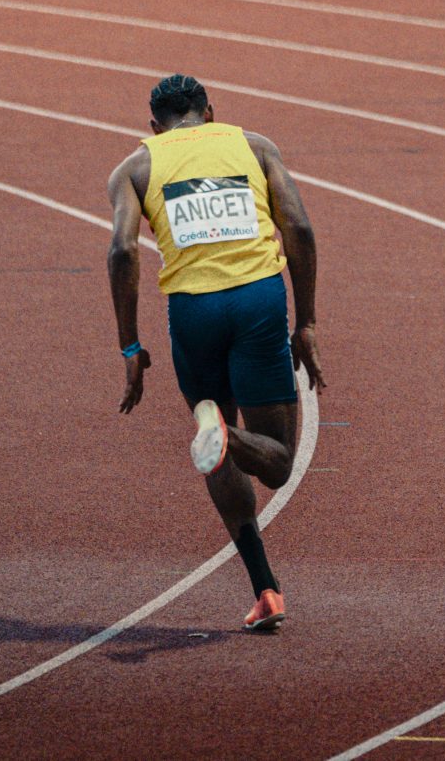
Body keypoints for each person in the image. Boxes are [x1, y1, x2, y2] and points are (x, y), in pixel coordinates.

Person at [106, 73, 321, 637]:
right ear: (210, 111)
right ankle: (226, 438)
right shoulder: (254, 147)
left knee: (218, 444)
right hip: (257, 299)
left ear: (153, 127)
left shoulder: (135, 168)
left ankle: (265, 589)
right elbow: (297, 224)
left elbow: (123, 251)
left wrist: (130, 344)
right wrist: (308, 322)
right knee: (277, 461)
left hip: (192, 313)